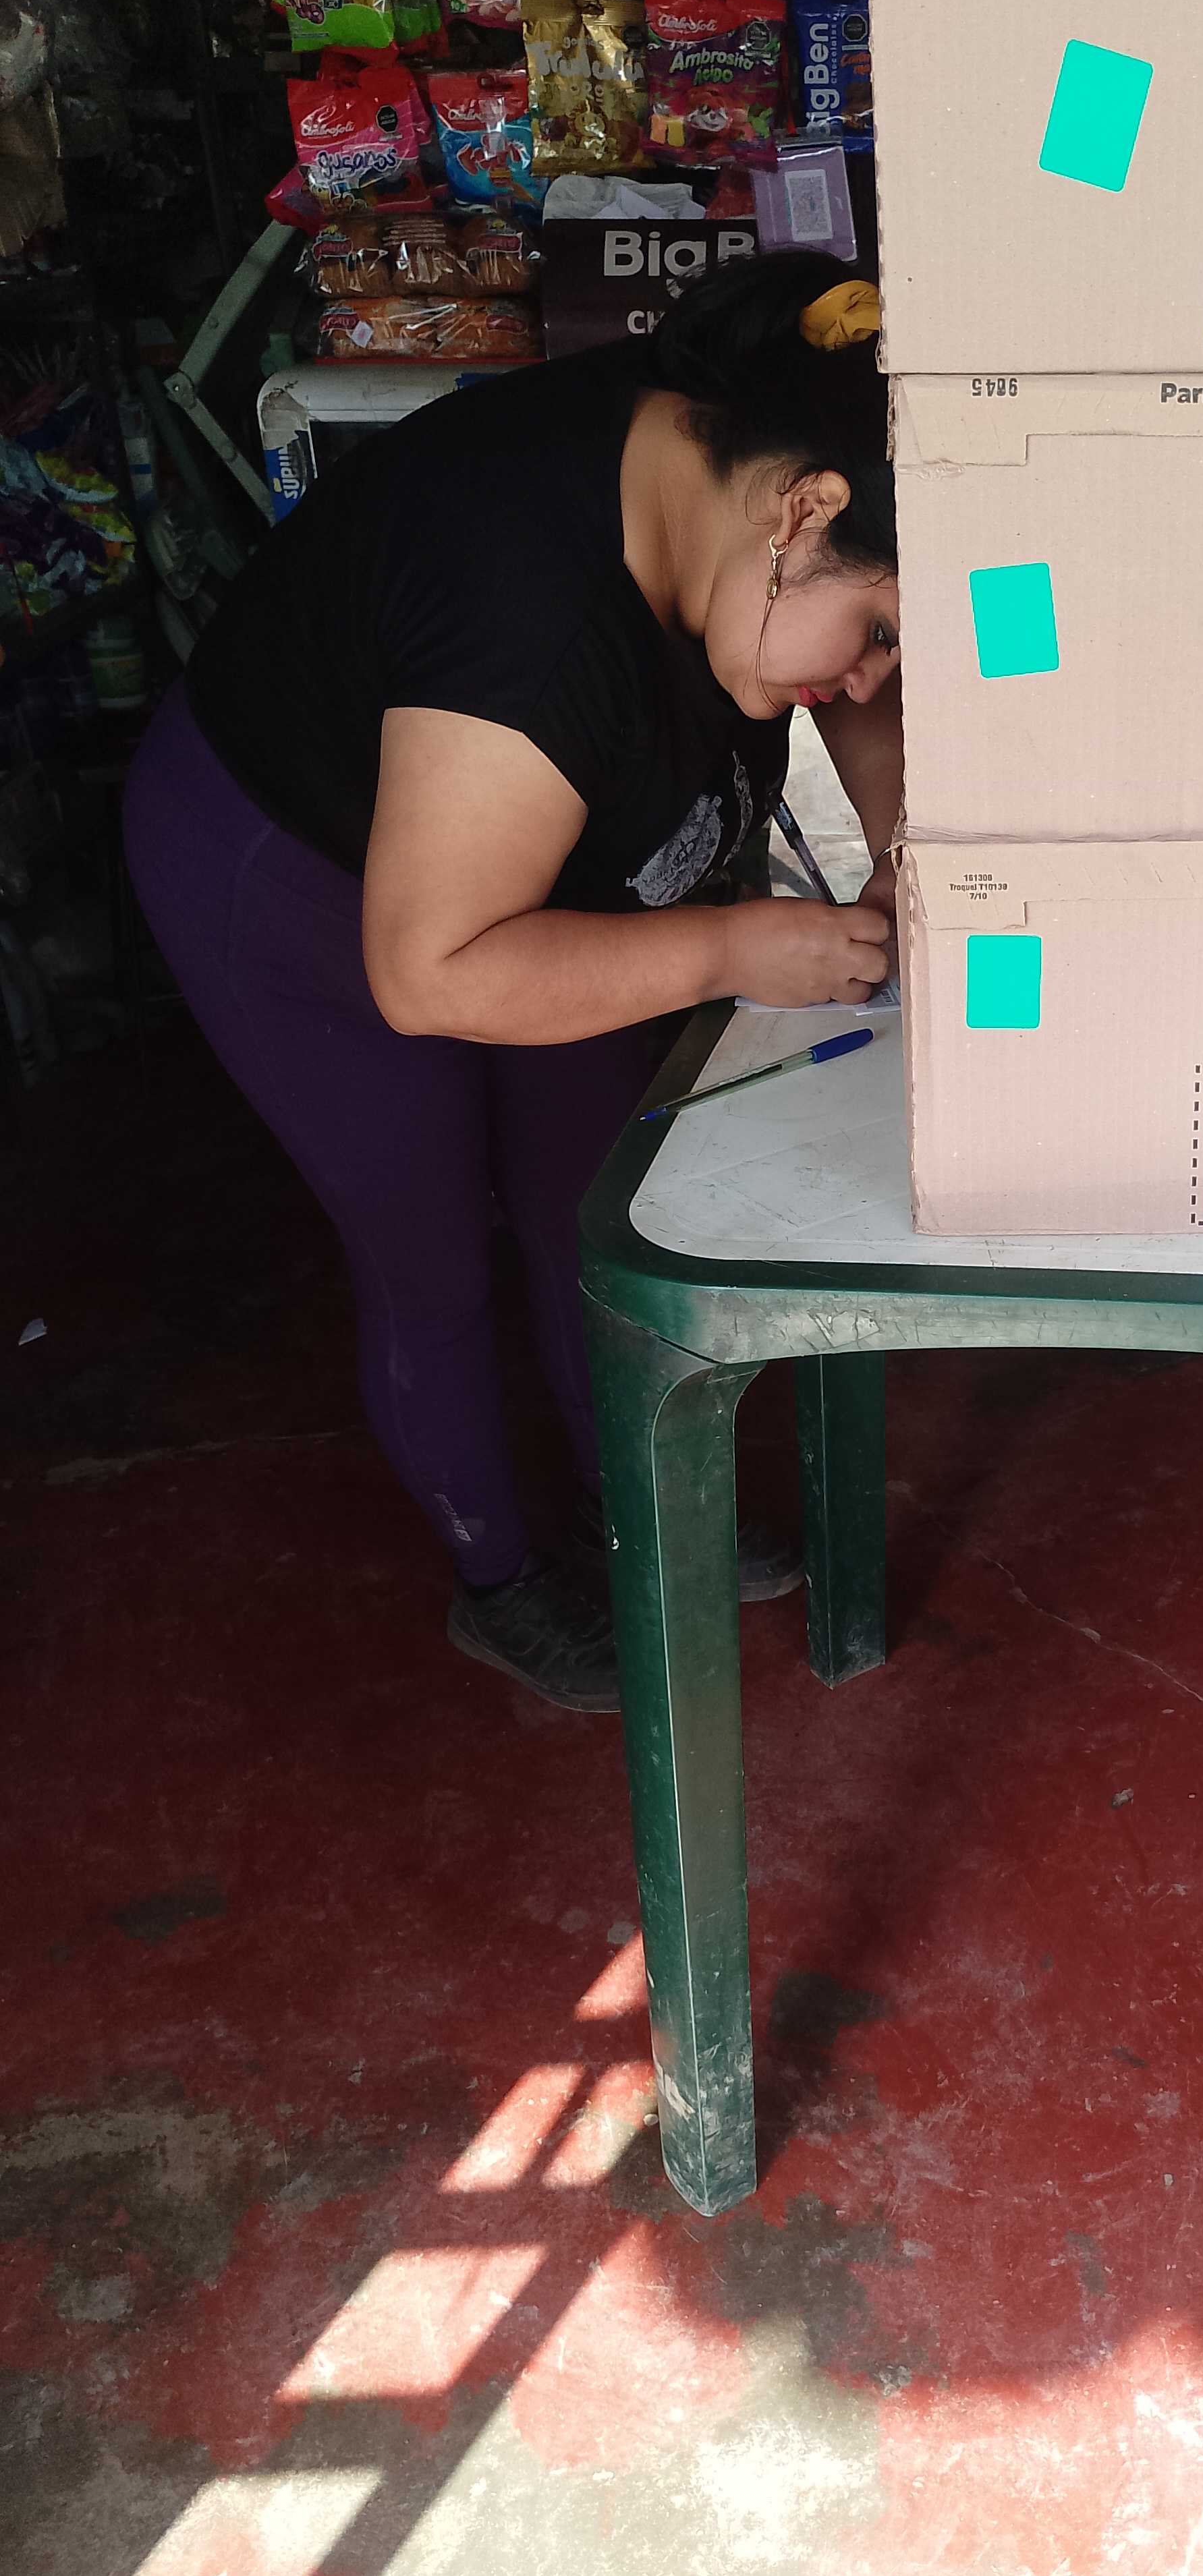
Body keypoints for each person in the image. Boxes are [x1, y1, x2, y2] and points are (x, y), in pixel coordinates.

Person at [122, 251, 900, 1714]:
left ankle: (639, 1495)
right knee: (427, 1248)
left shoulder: (752, 469)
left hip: (541, 857)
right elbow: (435, 971)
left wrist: (905, 849)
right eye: (874, 636)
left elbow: (869, 689)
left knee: (593, 1200)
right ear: (804, 514)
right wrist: (732, 947)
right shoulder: (528, 615)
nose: (867, 680)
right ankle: (499, 1579)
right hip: (296, 879)